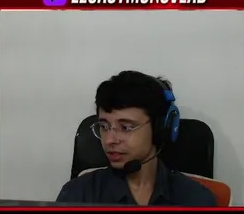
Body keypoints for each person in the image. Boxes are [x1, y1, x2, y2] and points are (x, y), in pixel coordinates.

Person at [56, 71, 218, 206]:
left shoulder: (196, 199)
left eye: (126, 127)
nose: (109, 140)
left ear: (159, 129)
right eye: (104, 126)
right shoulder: (77, 195)